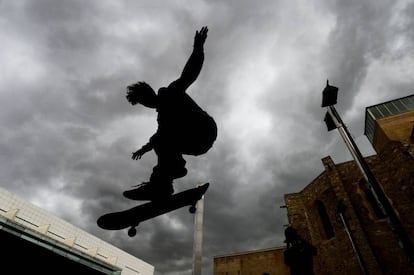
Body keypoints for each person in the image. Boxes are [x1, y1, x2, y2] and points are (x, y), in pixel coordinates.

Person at [123, 26, 217, 200]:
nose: (146, 105)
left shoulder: (170, 92)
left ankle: (165, 178)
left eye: (144, 101)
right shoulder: (163, 118)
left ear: (149, 93)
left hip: (202, 127)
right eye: (143, 104)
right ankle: (162, 185)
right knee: (161, 139)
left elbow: (189, 75)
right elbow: (158, 138)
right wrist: (143, 150)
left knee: (162, 137)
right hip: (194, 141)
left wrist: (198, 49)